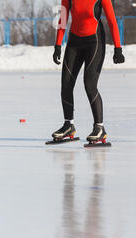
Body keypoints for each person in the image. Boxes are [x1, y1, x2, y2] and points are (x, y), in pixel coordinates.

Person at [52, 0, 125, 144]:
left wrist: (118, 48)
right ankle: (68, 125)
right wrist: (58, 45)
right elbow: (63, 18)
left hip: (94, 41)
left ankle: (99, 128)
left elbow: (111, 20)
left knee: (90, 85)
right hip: (74, 42)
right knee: (66, 83)